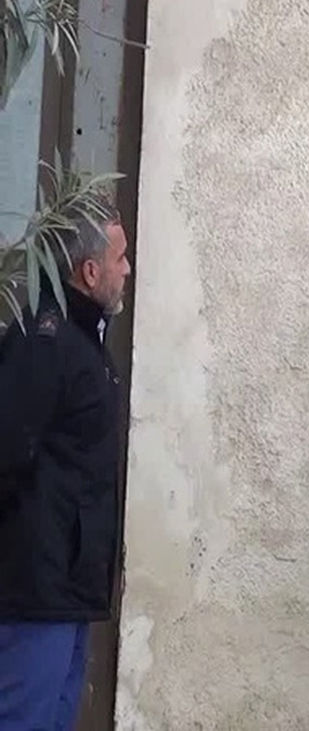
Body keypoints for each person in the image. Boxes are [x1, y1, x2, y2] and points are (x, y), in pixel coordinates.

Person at [0, 202, 132, 730]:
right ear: (90, 271)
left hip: (70, 589)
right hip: (36, 590)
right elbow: (8, 448)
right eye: (120, 258)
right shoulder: (44, 343)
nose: (128, 269)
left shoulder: (85, 341)